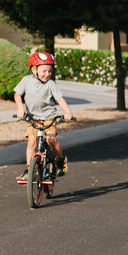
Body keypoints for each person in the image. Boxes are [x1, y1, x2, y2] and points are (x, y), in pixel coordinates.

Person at [14, 51, 74, 181]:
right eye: (44, 71)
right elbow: (17, 95)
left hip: (49, 118)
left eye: (50, 71)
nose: (47, 74)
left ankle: (60, 160)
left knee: (51, 139)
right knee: (31, 142)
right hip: (33, 118)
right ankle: (29, 169)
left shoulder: (50, 84)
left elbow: (59, 98)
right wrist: (20, 109)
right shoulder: (26, 81)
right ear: (33, 69)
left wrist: (67, 112)